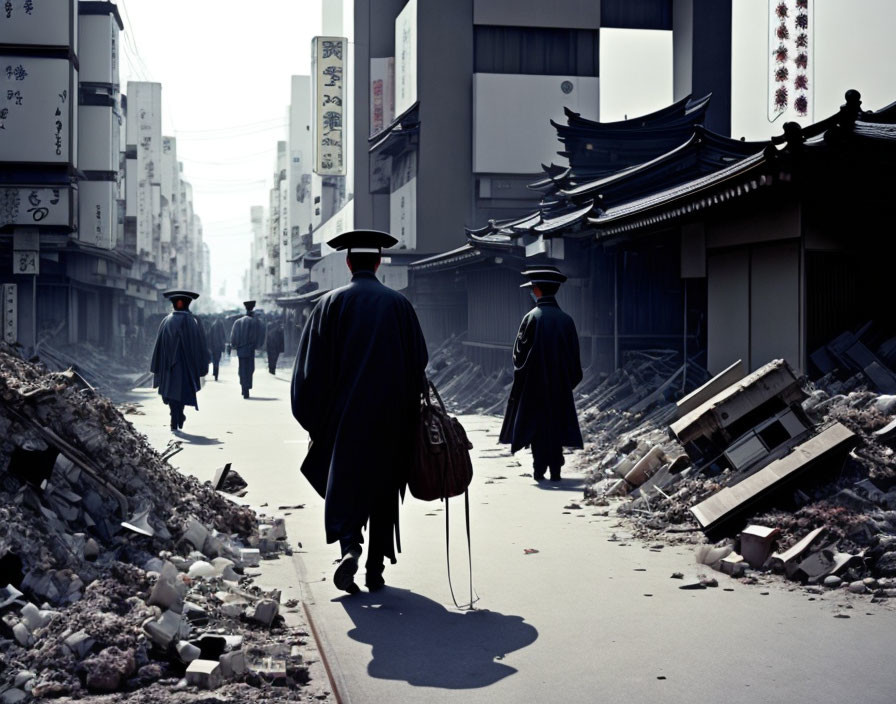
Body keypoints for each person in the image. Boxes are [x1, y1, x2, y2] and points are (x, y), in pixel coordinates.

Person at [291, 229, 428, 595]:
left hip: (343, 420)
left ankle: (350, 545)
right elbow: (420, 362)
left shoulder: (329, 304)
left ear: (348, 262)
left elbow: (309, 371)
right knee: (384, 488)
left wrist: (318, 420)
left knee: (347, 483)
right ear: (379, 262)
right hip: (391, 418)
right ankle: (376, 569)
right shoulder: (399, 306)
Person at [499, 266, 583, 481]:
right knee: (556, 426)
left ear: (536, 290)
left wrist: (526, 380)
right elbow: (574, 360)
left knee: (537, 428)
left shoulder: (531, 318)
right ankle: (556, 469)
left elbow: (519, 356)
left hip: (533, 387)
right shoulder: (566, 320)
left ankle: (539, 469)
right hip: (560, 386)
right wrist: (566, 382)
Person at [150, 290, 209, 431]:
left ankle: (174, 416)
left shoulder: (166, 321)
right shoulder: (193, 321)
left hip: (167, 368)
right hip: (185, 368)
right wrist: (201, 366)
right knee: (182, 392)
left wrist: (156, 366)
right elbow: (200, 345)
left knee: (170, 392)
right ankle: (179, 415)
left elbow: (158, 346)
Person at [229, 300, 263, 399]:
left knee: (242, 369)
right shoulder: (256, 322)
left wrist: (234, 346)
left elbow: (233, 336)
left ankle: (243, 388)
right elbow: (260, 335)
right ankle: (247, 387)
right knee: (250, 369)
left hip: (241, 350)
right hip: (250, 350)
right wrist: (258, 346)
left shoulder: (238, 322)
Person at [207, 316, 227, 381]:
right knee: (217, 361)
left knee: (214, 360)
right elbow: (223, 337)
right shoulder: (221, 325)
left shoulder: (213, 325)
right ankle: (216, 374)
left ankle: (214, 372)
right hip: (219, 347)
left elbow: (210, 337)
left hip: (213, 347)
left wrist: (209, 346)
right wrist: (223, 347)